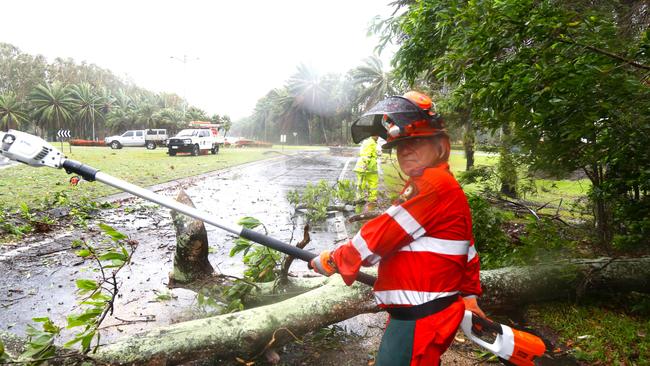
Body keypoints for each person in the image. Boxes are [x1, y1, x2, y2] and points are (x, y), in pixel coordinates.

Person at [311, 91, 485, 366]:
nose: (405, 151)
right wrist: (469, 294)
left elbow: (381, 233)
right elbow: (467, 247)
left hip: (419, 318)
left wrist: (334, 259)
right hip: (428, 314)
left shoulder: (431, 185)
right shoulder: (446, 185)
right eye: (400, 145)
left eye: (415, 142)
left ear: (439, 144)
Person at [354, 135, 379, 208]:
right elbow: (366, 155)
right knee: (362, 183)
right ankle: (360, 199)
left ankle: (371, 199)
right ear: (373, 135)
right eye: (377, 135)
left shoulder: (373, 143)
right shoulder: (370, 142)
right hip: (365, 167)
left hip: (371, 168)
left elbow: (371, 154)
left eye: (378, 135)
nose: (378, 137)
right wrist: (365, 164)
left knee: (371, 183)